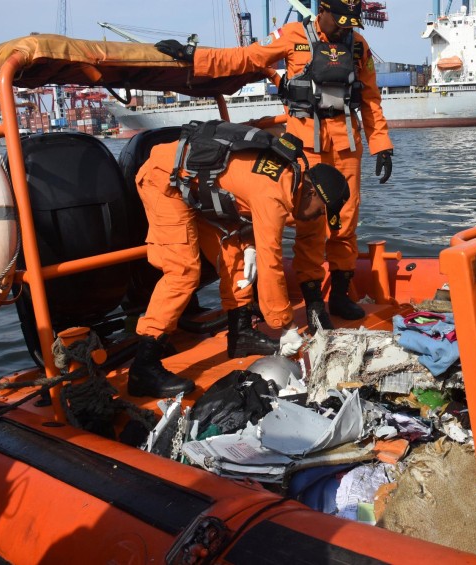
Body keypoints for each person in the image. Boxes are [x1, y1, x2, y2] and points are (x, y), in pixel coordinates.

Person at [155, 0, 394, 334]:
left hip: (346, 146)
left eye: (349, 24)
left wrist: (381, 144)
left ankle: (339, 294)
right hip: (304, 146)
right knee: (310, 226)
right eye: (339, 23)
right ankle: (313, 303)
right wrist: (196, 57)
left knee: (344, 223)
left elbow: (369, 99)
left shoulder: (357, 46)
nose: (344, 29)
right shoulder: (292, 35)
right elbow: (247, 57)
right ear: (320, 11)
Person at [130, 127, 350, 398]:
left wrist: (251, 245)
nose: (315, 218)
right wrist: (286, 326)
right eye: (319, 212)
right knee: (183, 271)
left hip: (197, 187)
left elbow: (303, 231)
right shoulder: (274, 193)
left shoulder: (297, 181)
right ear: (312, 194)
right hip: (165, 181)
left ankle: (240, 333)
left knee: (234, 251)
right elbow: (272, 264)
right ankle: (143, 366)